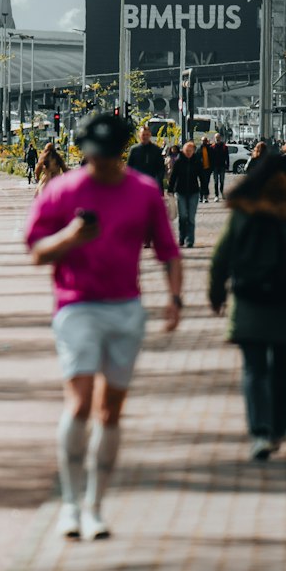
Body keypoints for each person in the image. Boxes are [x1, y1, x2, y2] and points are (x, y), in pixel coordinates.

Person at [24, 111, 182, 541]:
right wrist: (72, 237)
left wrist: (174, 297)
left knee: (111, 410)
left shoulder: (143, 192)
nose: (104, 165)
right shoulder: (62, 190)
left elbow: (168, 250)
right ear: (85, 153)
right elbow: (36, 251)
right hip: (77, 307)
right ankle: (70, 507)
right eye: (96, 157)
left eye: (111, 157)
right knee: (78, 403)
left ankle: (95, 505)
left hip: (125, 308)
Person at [208, 153, 286, 461]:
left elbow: (221, 257)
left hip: (249, 301)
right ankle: (280, 428)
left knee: (254, 369)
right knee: (282, 368)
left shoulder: (243, 213)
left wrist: (216, 294)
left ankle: (260, 431)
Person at [168, 139, 205, 248]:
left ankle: (190, 240)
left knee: (191, 217)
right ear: (183, 151)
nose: (188, 152)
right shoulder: (179, 161)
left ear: (193, 151)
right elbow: (173, 176)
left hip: (194, 192)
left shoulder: (197, 161)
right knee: (183, 215)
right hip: (181, 191)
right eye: (186, 150)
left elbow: (202, 176)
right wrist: (170, 189)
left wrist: (205, 190)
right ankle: (181, 237)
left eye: (190, 150)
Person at [126, 124, 166, 191]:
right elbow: (129, 168)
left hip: (153, 184)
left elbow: (161, 168)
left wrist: (157, 180)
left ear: (150, 135)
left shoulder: (156, 150)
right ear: (140, 136)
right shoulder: (134, 150)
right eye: (143, 135)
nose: (145, 137)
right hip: (137, 184)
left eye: (147, 135)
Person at [211, 133, 228, 200]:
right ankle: (216, 195)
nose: (217, 139)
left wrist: (227, 165)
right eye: (216, 137)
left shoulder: (224, 147)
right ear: (214, 138)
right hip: (215, 166)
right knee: (215, 181)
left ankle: (222, 192)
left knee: (222, 181)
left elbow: (227, 157)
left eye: (218, 137)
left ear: (220, 138)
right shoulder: (212, 147)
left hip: (222, 166)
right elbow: (210, 157)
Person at [197, 137, 212, 202]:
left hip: (208, 169)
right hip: (200, 169)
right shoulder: (199, 149)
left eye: (205, 141)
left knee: (206, 183)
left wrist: (212, 168)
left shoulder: (209, 149)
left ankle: (205, 197)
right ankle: (201, 197)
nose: (204, 142)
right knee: (202, 183)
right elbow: (196, 159)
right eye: (203, 141)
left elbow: (212, 158)